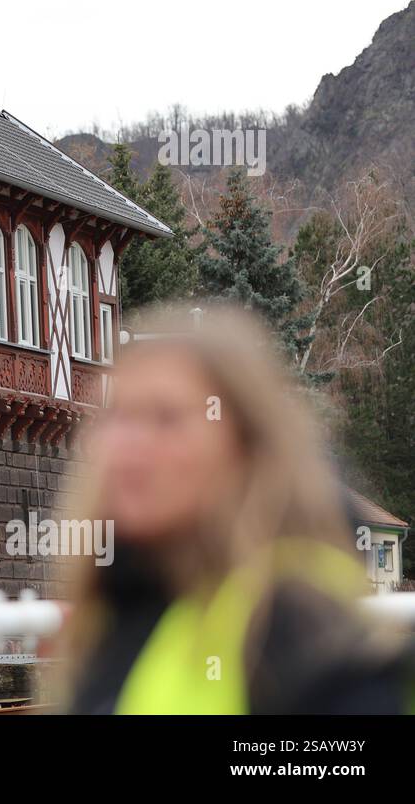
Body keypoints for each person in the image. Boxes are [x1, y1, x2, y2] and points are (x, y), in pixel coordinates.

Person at [61, 303, 410, 714]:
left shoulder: (298, 624)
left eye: (165, 418)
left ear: (247, 444)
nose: (125, 447)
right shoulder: (124, 609)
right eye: (117, 416)